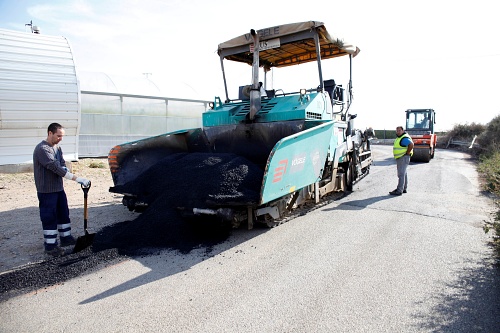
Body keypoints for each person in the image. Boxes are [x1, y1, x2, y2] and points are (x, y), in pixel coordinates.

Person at [33, 123, 91, 256]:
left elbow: (62, 164)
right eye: (58, 136)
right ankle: (50, 245)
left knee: (63, 213)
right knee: (49, 217)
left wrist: (66, 169)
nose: (61, 138)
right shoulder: (42, 149)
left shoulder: (57, 148)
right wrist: (77, 178)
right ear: (50, 133)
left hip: (58, 188)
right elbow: (54, 167)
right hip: (46, 191)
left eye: (62, 136)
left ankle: (66, 238)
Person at [390, 126, 414, 196]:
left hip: (403, 157)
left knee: (401, 174)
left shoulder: (404, 138)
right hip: (402, 157)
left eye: (399, 130)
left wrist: (407, 153)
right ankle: (403, 188)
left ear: (403, 131)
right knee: (404, 173)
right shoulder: (400, 137)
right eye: (397, 130)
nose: (398, 132)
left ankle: (399, 190)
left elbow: (411, 144)